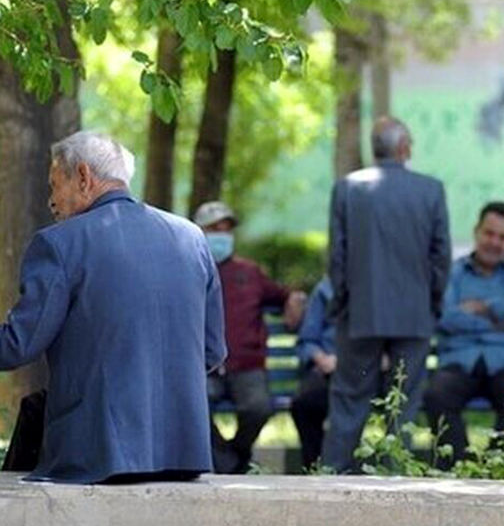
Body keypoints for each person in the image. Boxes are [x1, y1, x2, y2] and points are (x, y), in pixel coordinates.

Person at [0, 131, 226, 484]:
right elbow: (212, 351)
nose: (51, 202)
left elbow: (17, 345)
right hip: (184, 456)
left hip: (98, 457)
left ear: (83, 176)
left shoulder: (60, 244)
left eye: (54, 186)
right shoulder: (192, 238)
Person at [322, 116, 452, 473]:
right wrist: (432, 301)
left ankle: (333, 477)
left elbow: (337, 257)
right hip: (414, 314)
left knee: (349, 401)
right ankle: (396, 480)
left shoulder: (347, 189)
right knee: (403, 406)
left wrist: (342, 302)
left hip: (360, 313)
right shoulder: (431, 190)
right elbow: (440, 256)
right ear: (403, 148)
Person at [424, 202, 504, 468]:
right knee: (436, 396)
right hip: (459, 360)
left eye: (503, 237)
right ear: (476, 231)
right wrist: (501, 322)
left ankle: (495, 469)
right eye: (489, 233)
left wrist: (484, 306)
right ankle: (460, 470)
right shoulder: (452, 272)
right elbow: (446, 317)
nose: (495, 242)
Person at [194, 201, 306, 473]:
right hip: (202, 365)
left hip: (246, 366)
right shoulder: (188, 268)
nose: (221, 235)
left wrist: (295, 299)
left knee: (258, 407)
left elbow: (283, 294)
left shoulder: (249, 272)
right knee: (192, 407)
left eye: (226, 229)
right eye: (214, 229)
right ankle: (228, 462)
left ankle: (233, 458)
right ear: (199, 231)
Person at [291, 276, 338, 470]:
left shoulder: (380, 286)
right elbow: (307, 340)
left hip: (364, 372)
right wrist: (321, 358)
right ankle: (315, 469)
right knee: (303, 404)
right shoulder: (325, 289)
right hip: (328, 368)